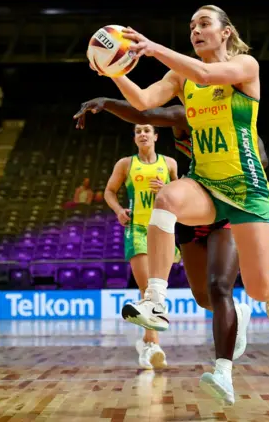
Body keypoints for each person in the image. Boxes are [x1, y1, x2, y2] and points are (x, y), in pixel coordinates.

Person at [95, 5, 269, 340]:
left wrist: (154, 48)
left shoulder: (245, 66)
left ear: (226, 32)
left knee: (258, 288)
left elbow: (207, 75)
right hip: (204, 181)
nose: (195, 31)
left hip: (246, 185)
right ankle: (155, 302)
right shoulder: (180, 76)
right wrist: (112, 71)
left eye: (204, 24)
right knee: (167, 197)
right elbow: (143, 102)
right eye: (192, 26)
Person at [75, 97, 269, 404]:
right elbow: (144, 111)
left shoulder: (239, 125)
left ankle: (222, 371)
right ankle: (229, 313)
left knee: (219, 286)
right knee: (203, 296)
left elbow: (260, 161)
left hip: (229, 208)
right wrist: (108, 103)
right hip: (192, 210)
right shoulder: (186, 116)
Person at [104, 123, 181, 370]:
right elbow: (109, 191)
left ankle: (147, 343)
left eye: (147, 130)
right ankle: (154, 345)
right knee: (147, 288)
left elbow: (180, 195)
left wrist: (167, 188)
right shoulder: (125, 164)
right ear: (135, 138)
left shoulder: (169, 163)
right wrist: (118, 211)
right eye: (138, 131)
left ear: (156, 136)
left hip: (163, 229)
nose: (142, 134)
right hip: (137, 229)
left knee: (155, 292)